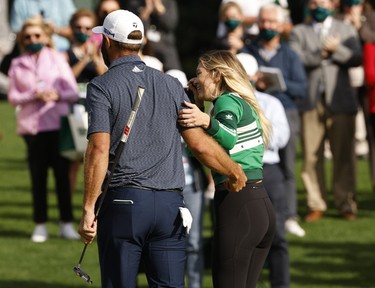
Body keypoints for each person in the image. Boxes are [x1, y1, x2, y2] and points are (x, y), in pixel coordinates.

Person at [78, 10, 247, 288]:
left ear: (107, 42)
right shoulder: (171, 84)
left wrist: (87, 208)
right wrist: (233, 170)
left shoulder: (101, 86)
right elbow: (199, 144)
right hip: (170, 206)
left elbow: (98, 150)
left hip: (125, 203)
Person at [178, 50, 275, 288]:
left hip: (237, 203)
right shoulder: (238, 101)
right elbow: (201, 151)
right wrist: (199, 106)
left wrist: (206, 120)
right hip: (260, 205)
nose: (195, 78)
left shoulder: (226, 101)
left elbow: (229, 138)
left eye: (199, 73)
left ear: (217, 75)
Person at [7, 17, 80, 243]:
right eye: (28, 37)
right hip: (33, 129)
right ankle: (40, 223)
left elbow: (72, 91)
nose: (33, 40)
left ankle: (66, 222)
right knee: (38, 177)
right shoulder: (18, 64)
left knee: (61, 175)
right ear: (23, 40)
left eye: (37, 36)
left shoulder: (57, 59)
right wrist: (33, 95)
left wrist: (56, 94)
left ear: (46, 37)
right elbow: (12, 97)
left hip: (56, 124)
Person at [289, 0, 362, 221]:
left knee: (343, 155)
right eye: (314, 2)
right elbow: (296, 59)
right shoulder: (298, 31)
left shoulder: (346, 28)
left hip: (340, 99)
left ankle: (345, 203)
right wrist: (321, 54)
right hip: (311, 101)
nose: (318, 5)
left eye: (323, 1)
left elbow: (356, 58)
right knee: (311, 156)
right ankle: (316, 203)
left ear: (333, 4)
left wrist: (336, 49)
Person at [246, 3, 307, 237]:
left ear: (281, 25)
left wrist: (276, 84)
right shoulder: (248, 51)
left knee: (287, 165)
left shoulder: (290, 54)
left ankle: (289, 214)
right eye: (264, 21)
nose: (267, 26)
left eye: (272, 22)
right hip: (253, 110)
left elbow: (302, 88)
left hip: (285, 112)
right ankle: (259, 210)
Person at [237, 52, 291, 288]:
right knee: (242, 238)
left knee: (276, 235)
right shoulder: (222, 105)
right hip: (238, 172)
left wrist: (245, 136)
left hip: (268, 171)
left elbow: (280, 137)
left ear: (256, 77)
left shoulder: (271, 103)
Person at [65, 8, 108, 194]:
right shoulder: (67, 54)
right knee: (73, 158)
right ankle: (69, 197)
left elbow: (106, 76)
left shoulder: (102, 52)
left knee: (97, 151)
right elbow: (68, 77)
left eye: (87, 28)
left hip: (96, 104)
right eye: (78, 27)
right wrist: (84, 60)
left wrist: (95, 58)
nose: (82, 31)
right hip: (74, 106)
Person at [10, 0, 76, 52]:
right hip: (30, 52)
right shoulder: (20, 2)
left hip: (60, 50)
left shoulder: (63, 1)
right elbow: (16, 34)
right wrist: (32, 24)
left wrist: (55, 29)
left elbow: (75, 31)